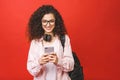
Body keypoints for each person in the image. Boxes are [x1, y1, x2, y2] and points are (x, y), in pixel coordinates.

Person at [27, 5, 74, 80]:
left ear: (56, 22)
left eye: (51, 21)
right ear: (40, 22)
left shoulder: (64, 39)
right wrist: (39, 62)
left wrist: (59, 61)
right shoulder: (35, 42)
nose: (48, 25)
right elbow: (31, 70)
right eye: (45, 21)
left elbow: (71, 66)